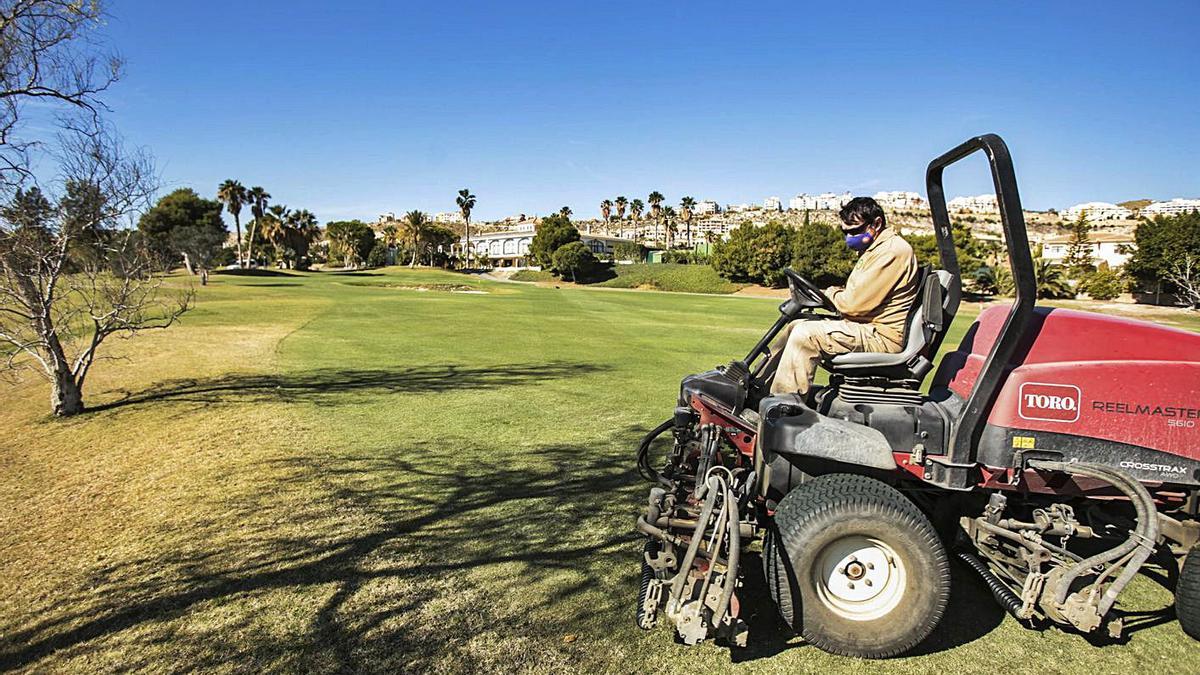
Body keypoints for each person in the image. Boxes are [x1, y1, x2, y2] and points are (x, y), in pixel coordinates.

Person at [770, 196, 919, 396]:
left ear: (876, 223)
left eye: (855, 230)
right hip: (866, 327)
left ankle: (781, 409)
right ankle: (758, 390)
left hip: (882, 335)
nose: (849, 237)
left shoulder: (892, 252)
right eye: (845, 231)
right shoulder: (875, 250)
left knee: (806, 335)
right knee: (796, 324)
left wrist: (831, 293)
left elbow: (853, 305)